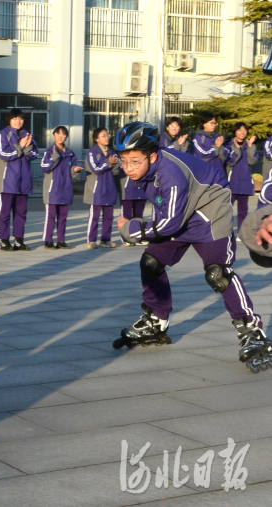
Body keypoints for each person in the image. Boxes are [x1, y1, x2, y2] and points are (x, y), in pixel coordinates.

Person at [113, 122, 268, 372]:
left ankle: (252, 330)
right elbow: (169, 215)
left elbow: (168, 224)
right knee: (150, 262)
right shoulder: (146, 170)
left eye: (135, 161)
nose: (129, 168)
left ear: (152, 156)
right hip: (181, 213)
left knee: (218, 273)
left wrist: (132, 230)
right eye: (123, 161)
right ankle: (156, 319)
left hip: (210, 213)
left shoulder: (170, 174)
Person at [0, 108, 38, 251]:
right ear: (9, 120)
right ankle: (4, 240)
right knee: (4, 212)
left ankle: (19, 240)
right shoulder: (2, 135)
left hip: (23, 182)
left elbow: (34, 155)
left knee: (21, 213)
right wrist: (20, 146)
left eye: (20, 119)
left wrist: (27, 146)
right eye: (15, 119)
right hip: (7, 182)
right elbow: (3, 154)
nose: (18, 121)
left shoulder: (27, 135)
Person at [40, 125, 83, 249]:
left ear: (66, 137)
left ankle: (61, 240)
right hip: (52, 189)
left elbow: (73, 172)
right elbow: (44, 167)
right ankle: (48, 240)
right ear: (54, 135)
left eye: (63, 134)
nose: (61, 136)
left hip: (66, 189)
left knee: (63, 216)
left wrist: (75, 170)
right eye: (58, 134)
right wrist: (54, 157)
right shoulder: (49, 151)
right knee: (51, 216)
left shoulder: (70, 153)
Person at [84, 127, 119, 249]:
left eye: (107, 135)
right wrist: (108, 162)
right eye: (103, 135)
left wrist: (115, 164)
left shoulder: (112, 152)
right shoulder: (92, 153)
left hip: (109, 189)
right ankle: (91, 240)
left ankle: (105, 239)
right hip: (96, 191)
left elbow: (116, 172)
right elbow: (95, 169)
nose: (107, 137)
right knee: (94, 216)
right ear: (96, 139)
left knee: (108, 217)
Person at [222, 122, 257, 233]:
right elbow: (230, 162)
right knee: (227, 210)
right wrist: (236, 149)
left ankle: (241, 233)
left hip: (245, 183)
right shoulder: (228, 145)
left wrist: (250, 147)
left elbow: (253, 161)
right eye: (240, 130)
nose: (243, 132)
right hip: (232, 183)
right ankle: (226, 231)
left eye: (245, 130)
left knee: (243, 211)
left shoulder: (249, 145)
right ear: (235, 131)